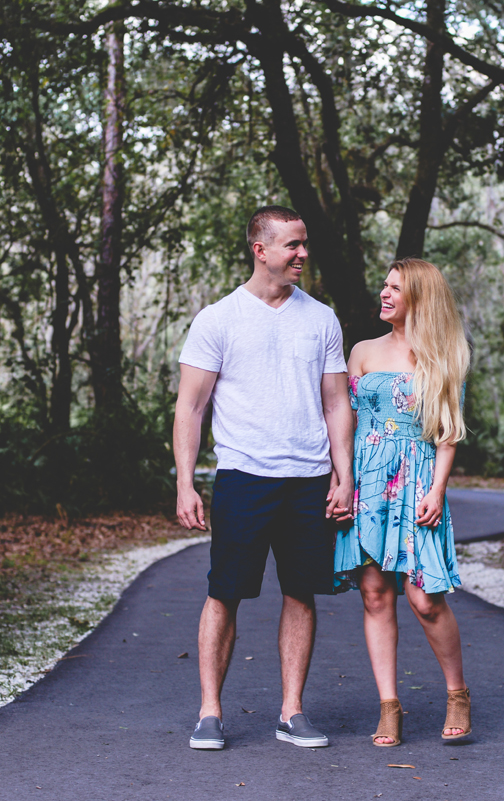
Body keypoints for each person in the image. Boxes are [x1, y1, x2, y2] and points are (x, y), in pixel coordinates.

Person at [173, 205, 355, 751]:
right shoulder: (217, 319)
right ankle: (210, 712)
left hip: (307, 479)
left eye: (304, 244)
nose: (302, 254)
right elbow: (190, 407)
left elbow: (336, 404)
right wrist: (185, 483)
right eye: (292, 245)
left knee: (301, 592)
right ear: (261, 249)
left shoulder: (321, 318)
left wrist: (342, 476)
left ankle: (292, 712)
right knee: (224, 593)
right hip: (243, 477)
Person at [334, 258, 471, 747]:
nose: (385, 294)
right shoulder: (363, 351)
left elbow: (448, 433)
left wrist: (437, 489)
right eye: (385, 286)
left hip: (416, 483)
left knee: (424, 598)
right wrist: (341, 481)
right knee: (374, 594)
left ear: (419, 298)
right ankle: (389, 705)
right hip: (368, 482)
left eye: (396, 288)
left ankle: (457, 694)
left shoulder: (441, 355)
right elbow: (344, 423)